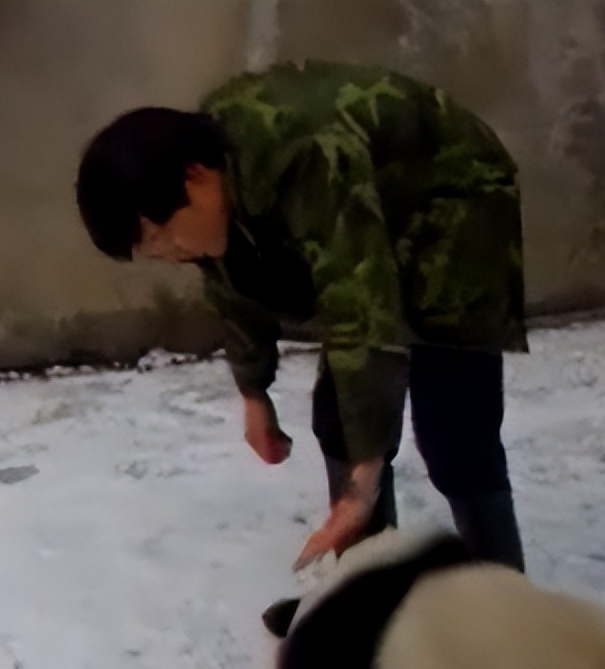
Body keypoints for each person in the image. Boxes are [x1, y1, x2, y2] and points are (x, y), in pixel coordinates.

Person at [75, 60, 527, 598]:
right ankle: (371, 595)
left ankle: (505, 596)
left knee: (455, 431)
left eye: (164, 238)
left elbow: (359, 304)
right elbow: (233, 282)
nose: (171, 255)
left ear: (196, 178)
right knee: (340, 414)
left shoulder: (305, 159)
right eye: (153, 254)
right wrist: (253, 391)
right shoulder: (207, 182)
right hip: (371, 202)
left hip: (454, 196)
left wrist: (365, 478)